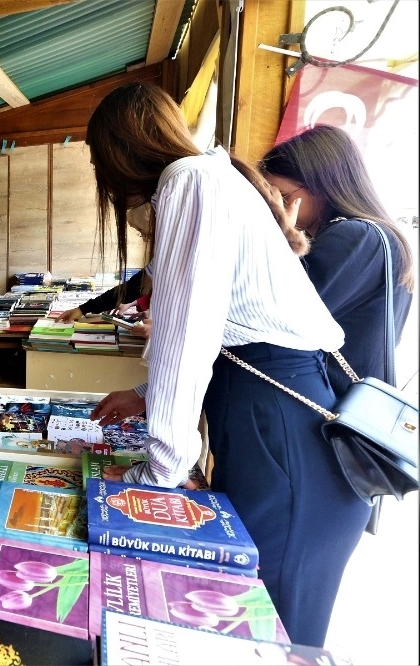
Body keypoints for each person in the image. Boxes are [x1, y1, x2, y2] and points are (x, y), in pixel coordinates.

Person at [84, 82, 370, 648]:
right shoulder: (210, 176)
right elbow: (215, 326)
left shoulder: (187, 181)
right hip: (282, 415)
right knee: (257, 624)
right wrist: (144, 396)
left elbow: (185, 338)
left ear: (117, 154)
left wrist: (155, 477)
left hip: (282, 432)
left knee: (269, 631)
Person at [260, 124, 414, 396]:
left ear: (321, 186)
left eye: (282, 197)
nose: (277, 209)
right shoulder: (380, 237)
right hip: (350, 403)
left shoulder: (354, 236)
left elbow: (279, 315)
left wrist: (281, 236)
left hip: (327, 405)